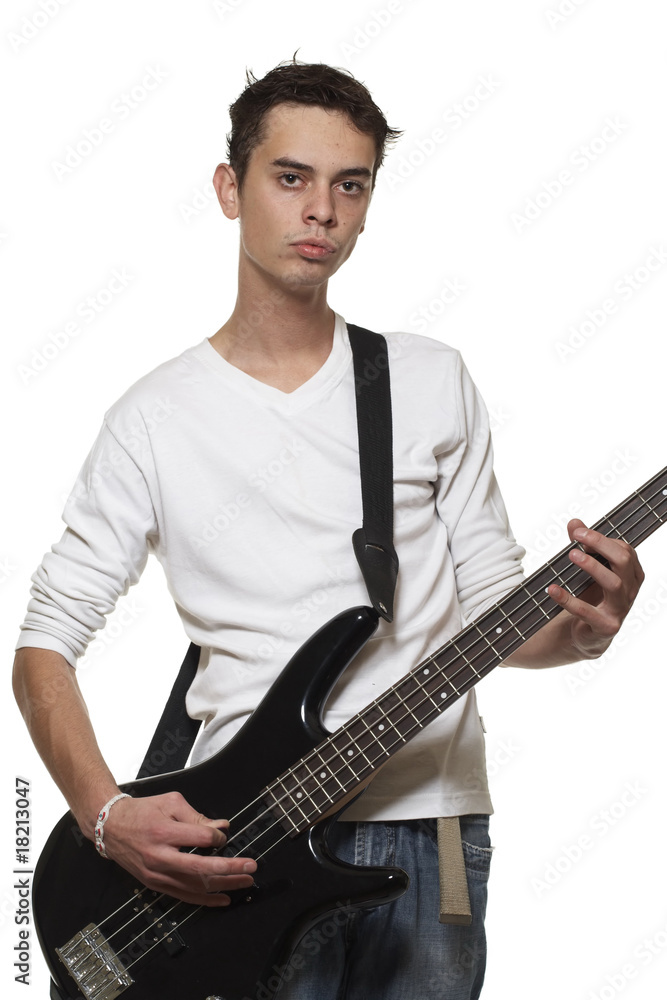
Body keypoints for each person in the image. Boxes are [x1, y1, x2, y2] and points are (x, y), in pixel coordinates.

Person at [13, 60, 644, 1000]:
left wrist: (587, 624)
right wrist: (104, 814)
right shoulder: (153, 417)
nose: (322, 211)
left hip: (430, 835)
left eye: (350, 185)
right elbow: (43, 645)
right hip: (237, 845)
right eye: (291, 177)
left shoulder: (430, 380)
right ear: (230, 188)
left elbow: (500, 618)